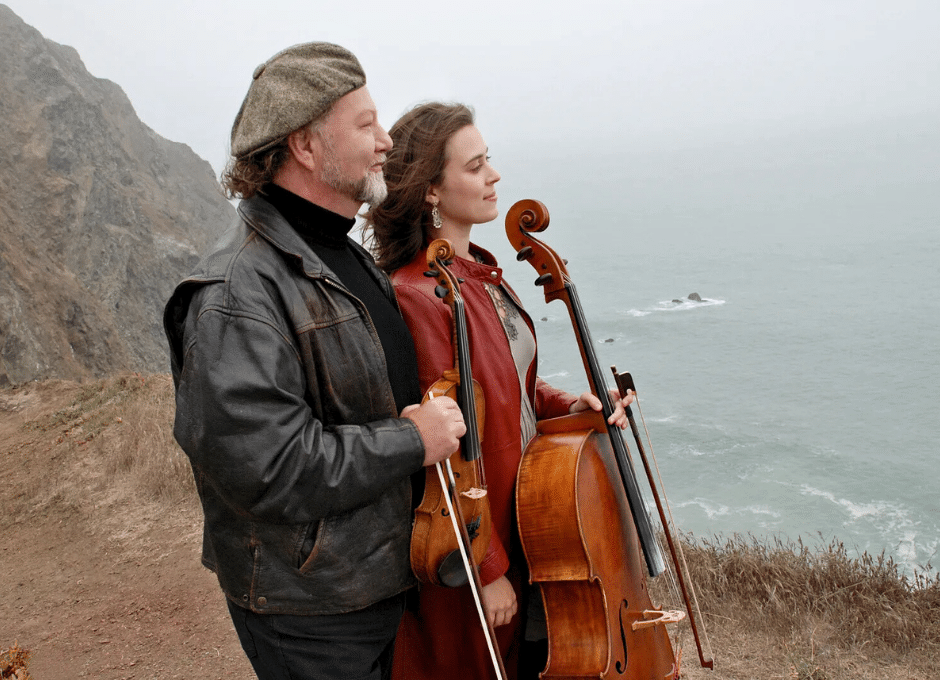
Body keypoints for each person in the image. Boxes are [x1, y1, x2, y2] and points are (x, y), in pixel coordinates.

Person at [162, 44, 466, 680]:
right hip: (311, 608)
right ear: (305, 145)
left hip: (369, 582)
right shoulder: (236, 293)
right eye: (365, 125)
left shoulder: (341, 255)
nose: (386, 141)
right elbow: (270, 467)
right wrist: (412, 440)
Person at [364, 102, 633, 680]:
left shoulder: (481, 273)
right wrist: (484, 568)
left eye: (490, 161)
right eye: (476, 166)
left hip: (526, 524)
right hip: (478, 542)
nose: (495, 177)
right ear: (432, 191)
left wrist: (568, 404)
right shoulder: (419, 294)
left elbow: (510, 389)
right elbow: (448, 446)